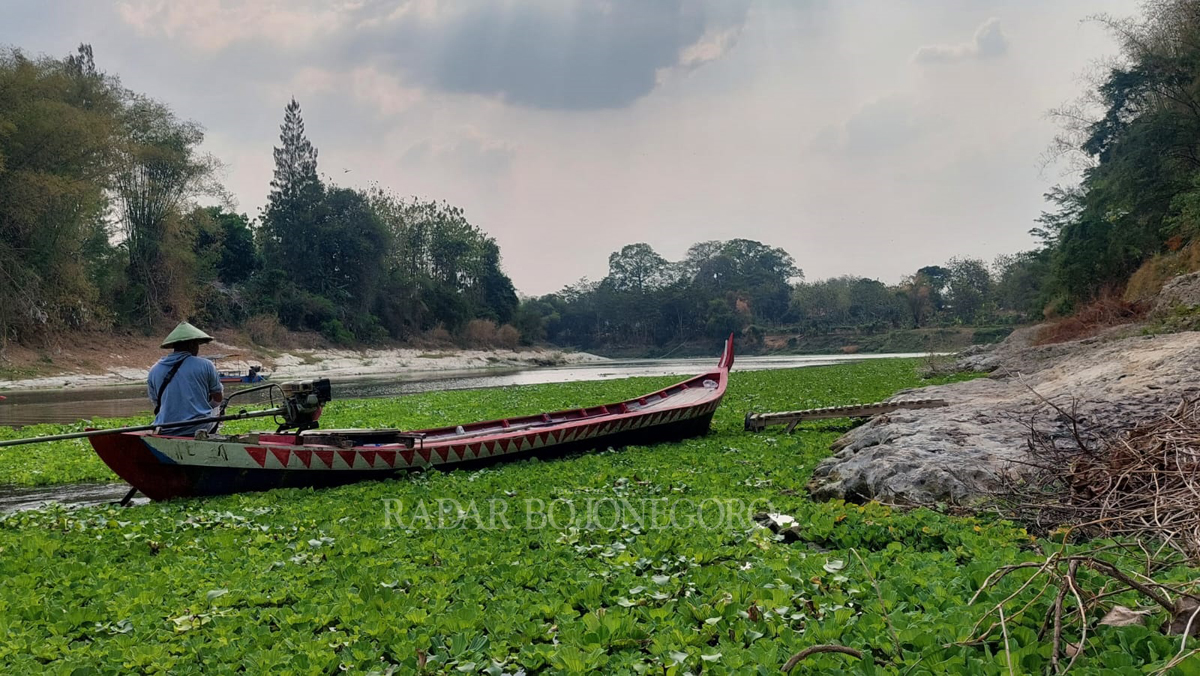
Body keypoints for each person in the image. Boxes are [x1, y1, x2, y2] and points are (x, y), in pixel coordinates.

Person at [147, 322, 224, 436]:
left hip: (165, 428)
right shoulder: (206, 365)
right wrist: (205, 406)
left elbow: (156, 403)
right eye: (197, 344)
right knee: (220, 405)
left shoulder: (154, 370)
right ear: (192, 345)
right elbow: (218, 398)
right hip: (198, 427)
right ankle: (211, 437)